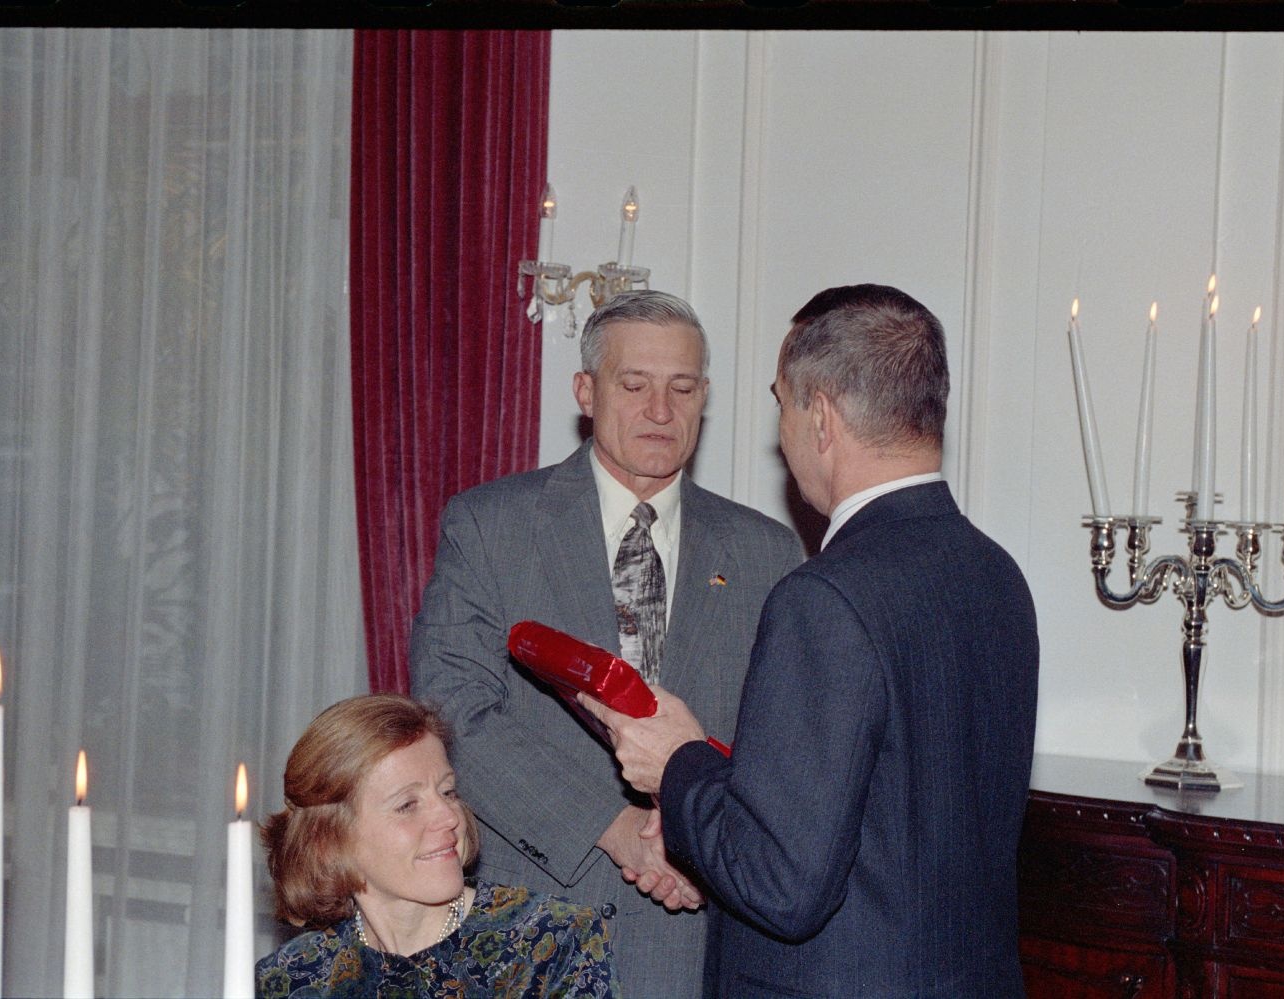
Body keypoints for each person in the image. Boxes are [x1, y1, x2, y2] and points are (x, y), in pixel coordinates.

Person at [581, 284, 1041, 997]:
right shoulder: (996, 573)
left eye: (781, 402)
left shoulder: (823, 597)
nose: (781, 432)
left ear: (820, 415)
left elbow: (781, 881)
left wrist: (678, 761)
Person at [410, 290, 806, 997]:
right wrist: (611, 825)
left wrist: (701, 835)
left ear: (704, 397)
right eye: (635, 384)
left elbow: (789, 746)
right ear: (586, 391)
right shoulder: (490, 527)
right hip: (531, 934)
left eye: (682, 387)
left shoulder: (768, 552)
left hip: (701, 936)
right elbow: (452, 711)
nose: (661, 409)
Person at [255, 694, 622, 998]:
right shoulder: (291, 979)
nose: (450, 817)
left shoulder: (553, 943)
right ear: (330, 840)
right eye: (407, 805)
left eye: (448, 792)